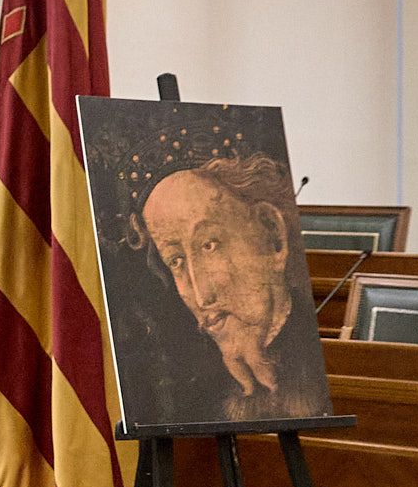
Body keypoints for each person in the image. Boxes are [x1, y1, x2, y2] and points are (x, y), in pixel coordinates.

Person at [136, 153, 330, 423]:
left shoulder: (324, 360)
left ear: (271, 233)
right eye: (176, 261)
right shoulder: (188, 394)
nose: (202, 297)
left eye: (209, 245)